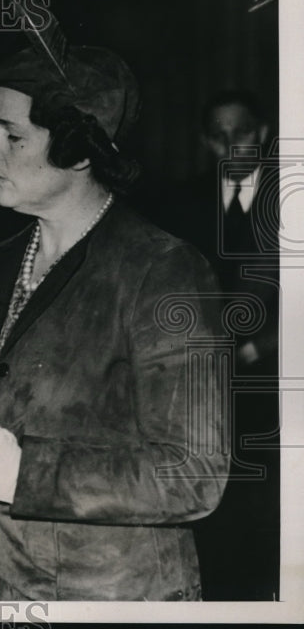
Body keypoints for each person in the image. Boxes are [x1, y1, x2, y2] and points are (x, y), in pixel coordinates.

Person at [0, 44, 229, 600]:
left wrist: (22, 474)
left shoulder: (165, 272)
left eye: (12, 135)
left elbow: (192, 476)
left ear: (78, 151)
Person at [163, 91, 280, 600]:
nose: (231, 145)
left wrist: (256, 352)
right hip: (200, 386)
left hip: (274, 384)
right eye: (219, 135)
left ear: (263, 133)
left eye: (242, 133)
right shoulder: (181, 202)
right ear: (206, 141)